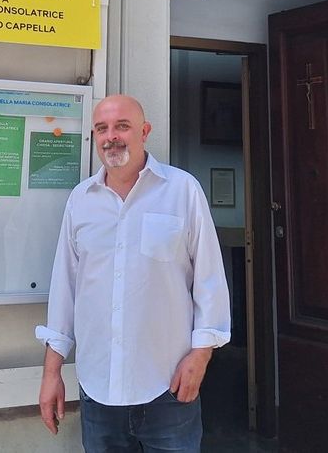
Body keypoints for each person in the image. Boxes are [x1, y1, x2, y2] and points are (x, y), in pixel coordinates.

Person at [36, 94, 230, 452]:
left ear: (144, 131)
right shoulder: (81, 200)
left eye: (122, 126)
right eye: (102, 128)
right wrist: (52, 373)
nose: (111, 136)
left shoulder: (182, 190)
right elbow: (65, 288)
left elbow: (210, 279)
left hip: (168, 386)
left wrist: (201, 355)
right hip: (98, 388)